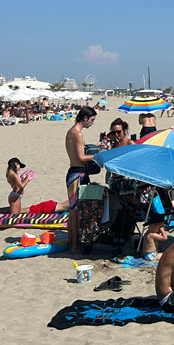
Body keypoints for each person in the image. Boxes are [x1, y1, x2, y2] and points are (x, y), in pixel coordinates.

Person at [64, 106, 98, 252]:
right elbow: (81, 157)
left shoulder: (71, 132)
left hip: (74, 172)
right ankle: (74, 245)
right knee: (75, 212)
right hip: (78, 173)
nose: (92, 123)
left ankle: (73, 244)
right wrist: (99, 156)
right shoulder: (78, 134)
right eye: (92, 120)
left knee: (73, 211)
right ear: (85, 118)